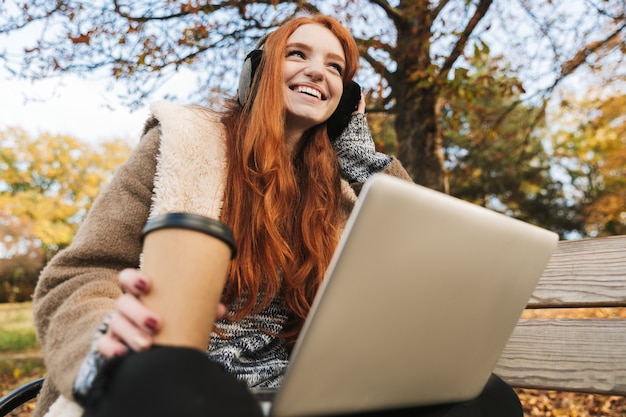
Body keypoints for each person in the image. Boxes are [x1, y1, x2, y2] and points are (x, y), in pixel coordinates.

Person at [32, 14, 522, 417]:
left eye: (336, 67)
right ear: (257, 74)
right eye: (298, 54)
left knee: (488, 400)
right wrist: (103, 335)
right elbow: (79, 274)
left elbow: (424, 255)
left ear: (345, 99)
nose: (319, 72)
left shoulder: (345, 189)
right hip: (183, 367)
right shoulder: (179, 144)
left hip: (303, 386)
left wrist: (363, 163)